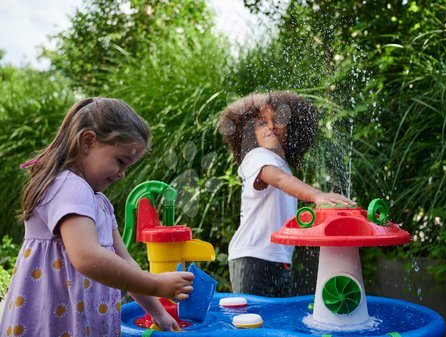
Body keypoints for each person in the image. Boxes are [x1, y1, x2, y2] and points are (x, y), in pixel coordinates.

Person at [0, 97, 194, 336]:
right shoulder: (68, 186)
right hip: (53, 325)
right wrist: (155, 284)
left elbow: (126, 264)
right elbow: (86, 257)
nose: (122, 174)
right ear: (88, 141)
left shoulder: (100, 203)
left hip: (77, 323)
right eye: (120, 161)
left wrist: (157, 313)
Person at [219, 91, 354, 297]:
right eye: (262, 123)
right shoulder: (256, 157)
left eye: (278, 120)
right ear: (249, 134)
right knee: (255, 324)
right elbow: (280, 180)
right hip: (253, 258)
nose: (271, 126)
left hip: (279, 261)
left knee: (275, 323)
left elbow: (284, 205)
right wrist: (317, 195)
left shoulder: (283, 166)